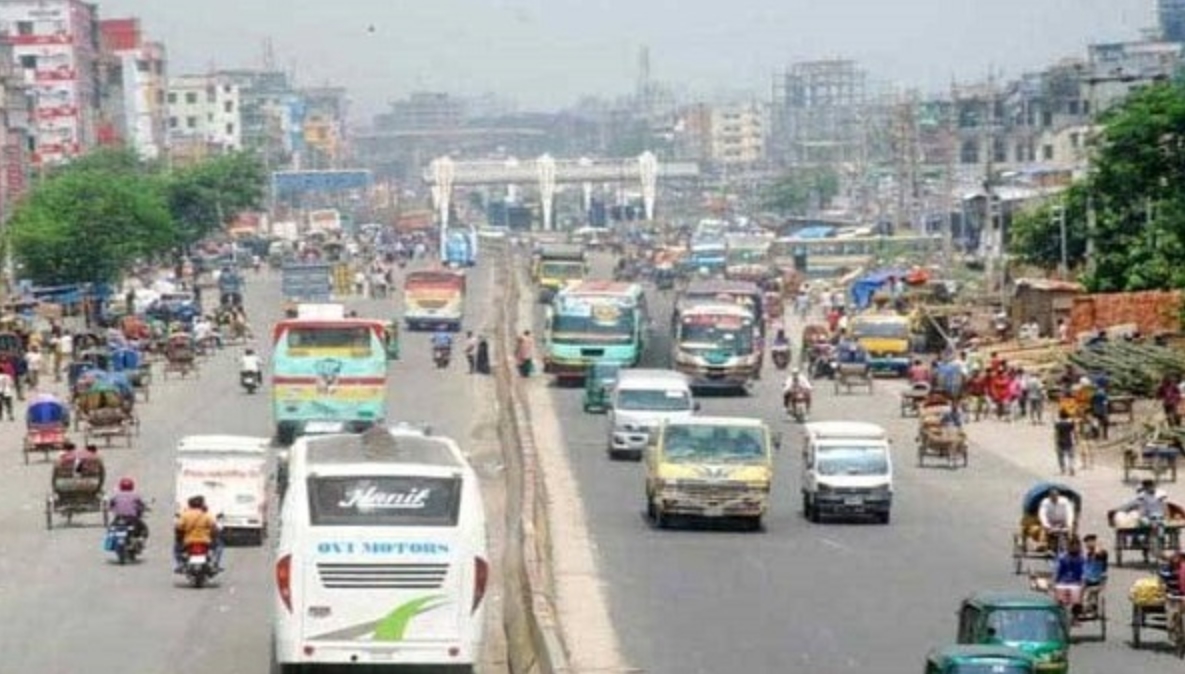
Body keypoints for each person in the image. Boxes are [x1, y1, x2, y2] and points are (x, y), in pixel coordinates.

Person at [175, 495, 222, 573]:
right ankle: (215, 564)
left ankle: (180, 565)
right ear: (201, 505)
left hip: (189, 541)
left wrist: (179, 537)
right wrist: (215, 535)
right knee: (219, 546)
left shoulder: (185, 515)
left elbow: (179, 527)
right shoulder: (206, 515)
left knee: (176, 549)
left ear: (190, 505)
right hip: (205, 541)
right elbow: (214, 528)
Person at [109, 477, 149, 541]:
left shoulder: (116, 495)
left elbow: (111, 505)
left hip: (119, 518)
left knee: (111, 528)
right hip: (132, 518)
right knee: (144, 529)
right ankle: (140, 540)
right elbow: (141, 505)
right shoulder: (135, 495)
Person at [1053, 535, 1086, 612]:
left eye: (1076, 545)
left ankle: (1076, 612)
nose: (1074, 547)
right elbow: (1057, 571)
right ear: (1068, 546)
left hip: (1076, 583)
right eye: (1072, 544)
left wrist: (1083, 582)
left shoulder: (1082, 559)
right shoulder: (1062, 557)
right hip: (1063, 583)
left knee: (1077, 603)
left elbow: (1084, 572)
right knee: (1059, 603)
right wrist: (1055, 583)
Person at [1053, 409, 1077, 476]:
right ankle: (1071, 467)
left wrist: (1055, 443)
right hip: (1069, 441)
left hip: (1060, 441)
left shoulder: (1057, 424)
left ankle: (1063, 469)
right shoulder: (1070, 424)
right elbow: (1074, 432)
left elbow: (1056, 434)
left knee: (1060, 456)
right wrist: (1076, 439)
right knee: (1071, 456)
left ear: (1060, 416)